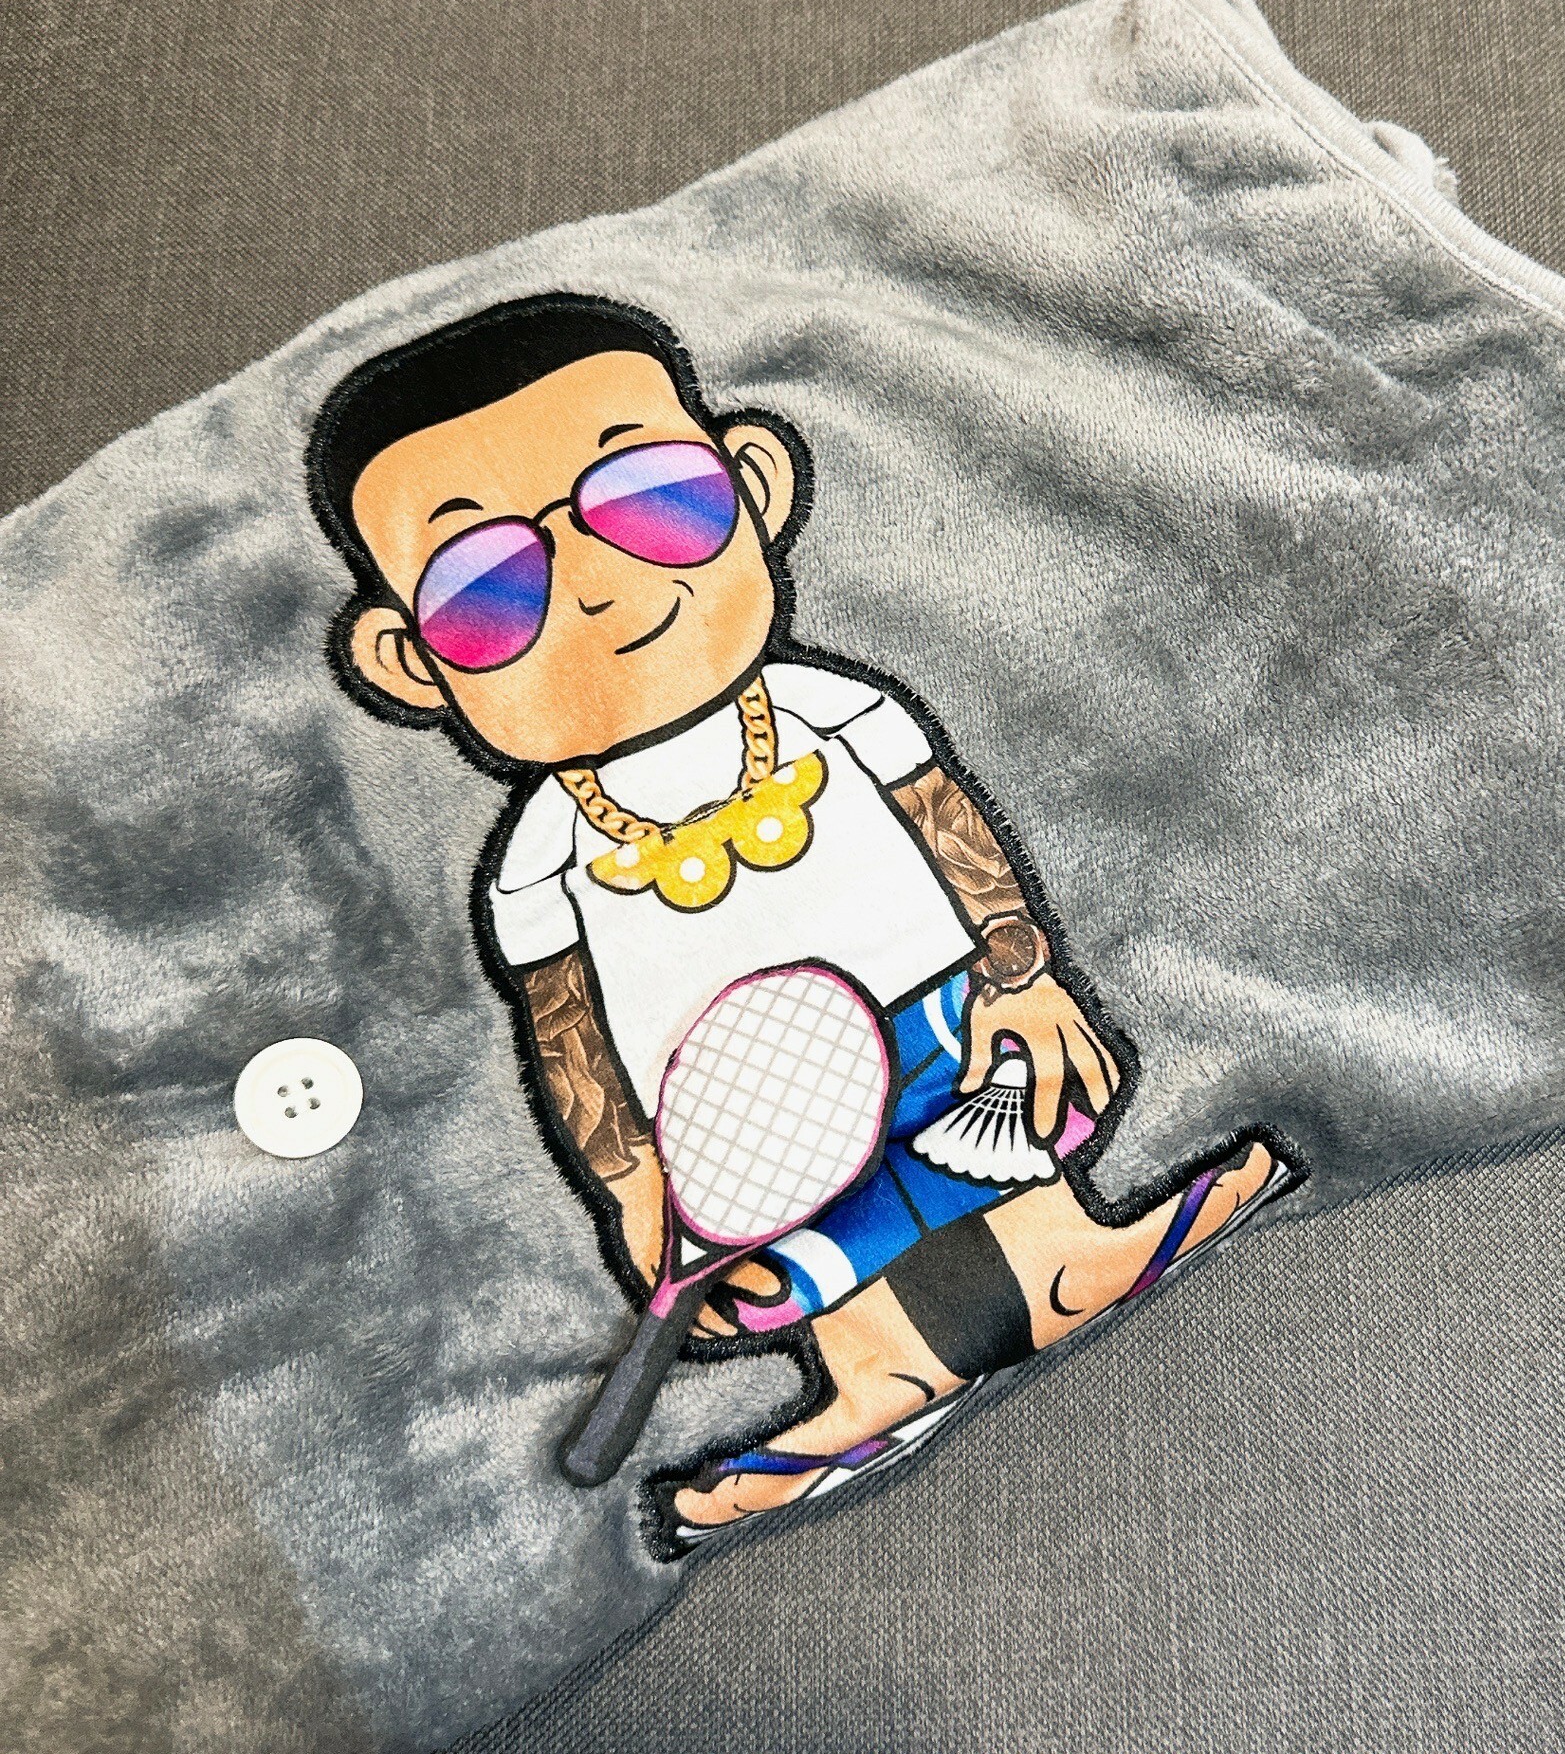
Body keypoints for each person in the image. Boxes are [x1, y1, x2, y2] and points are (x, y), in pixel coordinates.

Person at [308, 292, 1289, 1546]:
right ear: (407, 660)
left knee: (998, 1121)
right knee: (801, 1245)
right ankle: (878, 1371)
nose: (600, 586)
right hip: (727, 1116)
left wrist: (1022, 975)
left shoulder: (828, 708)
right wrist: (633, 1182)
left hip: (937, 1007)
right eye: (489, 586)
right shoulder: (539, 855)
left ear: (753, 483)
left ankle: (1062, 1254)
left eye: (651, 500)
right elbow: (565, 1028)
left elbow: (944, 823)